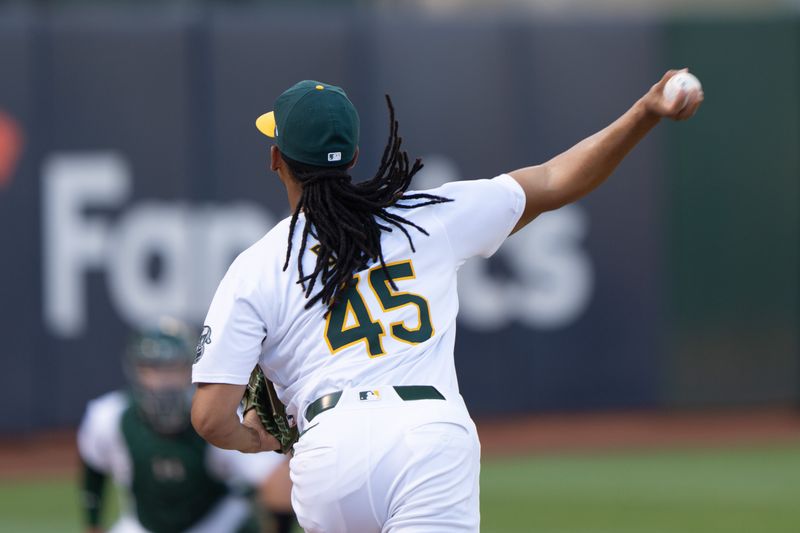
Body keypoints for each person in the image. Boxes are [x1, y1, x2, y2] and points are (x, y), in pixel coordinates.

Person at [190, 72, 703, 532]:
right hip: (427, 438)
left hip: (330, 450)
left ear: (276, 157)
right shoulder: (425, 217)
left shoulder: (255, 266)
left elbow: (210, 417)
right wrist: (644, 113)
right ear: (350, 156)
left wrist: (256, 441)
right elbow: (554, 179)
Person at [77, 318, 296, 533]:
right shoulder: (109, 417)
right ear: (137, 371)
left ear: (189, 371)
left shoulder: (215, 419)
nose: (163, 381)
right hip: (141, 525)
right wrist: (93, 523)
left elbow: (278, 486)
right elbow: (93, 464)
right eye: (153, 369)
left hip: (214, 522)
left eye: (172, 368)